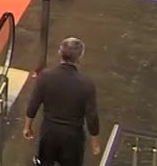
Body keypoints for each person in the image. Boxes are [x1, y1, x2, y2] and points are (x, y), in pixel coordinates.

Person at [24, 37, 102, 165]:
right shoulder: (87, 84)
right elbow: (92, 116)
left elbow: (33, 103)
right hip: (73, 137)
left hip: (49, 133)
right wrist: (95, 142)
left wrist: (27, 126)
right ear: (80, 57)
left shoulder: (45, 76)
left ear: (60, 53)